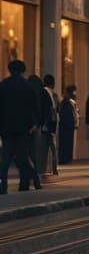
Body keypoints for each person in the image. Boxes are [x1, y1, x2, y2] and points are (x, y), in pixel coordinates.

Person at [0, 59, 42, 193]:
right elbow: (35, 108)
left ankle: (3, 184)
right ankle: (26, 182)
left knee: (6, 157)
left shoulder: (3, 85)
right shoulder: (28, 86)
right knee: (23, 156)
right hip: (24, 127)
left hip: (6, 127)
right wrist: (35, 124)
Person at [39, 74, 60, 175]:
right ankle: (53, 168)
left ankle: (51, 168)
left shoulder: (44, 92)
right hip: (49, 125)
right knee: (52, 147)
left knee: (49, 147)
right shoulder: (49, 93)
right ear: (53, 83)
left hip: (46, 124)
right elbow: (53, 110)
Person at [58, 84, 79, 164]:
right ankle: (64, 159)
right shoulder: (65, 102)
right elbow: (66, 115)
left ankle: (68, 158)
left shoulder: (72, 102)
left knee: (69, 144)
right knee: (65, 144)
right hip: (66, 127)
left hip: (70, 126)